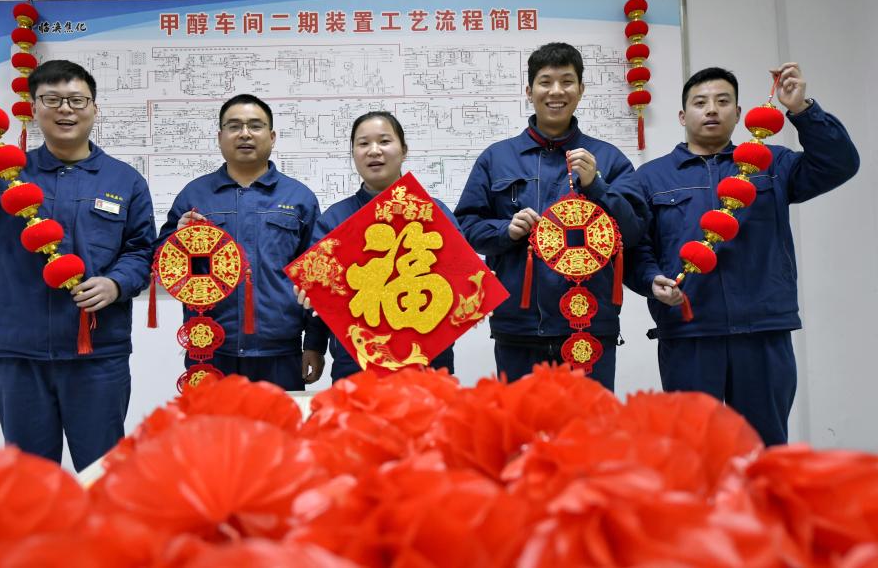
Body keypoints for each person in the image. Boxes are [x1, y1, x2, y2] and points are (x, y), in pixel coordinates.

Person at [0, 60, 156, 471]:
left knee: (104, 476)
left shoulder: (124, 180)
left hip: (97, 354)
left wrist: (115, 284)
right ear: (34, 107)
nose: (65, 109)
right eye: (52, 99)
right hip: (22, 353)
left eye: (77, 100)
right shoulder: (4, 174)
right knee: (30, 479)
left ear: (94, 108)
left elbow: (141, 251)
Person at [625, 63, 859, 445]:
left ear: (737, 113)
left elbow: (840, 164)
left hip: (762, 330)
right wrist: (651, 282)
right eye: (700, 102)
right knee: (692, 451)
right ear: (683, 116)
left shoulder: (772, 164)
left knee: (763, 449)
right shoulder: (651, 178)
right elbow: (636, 249)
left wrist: (802, 110)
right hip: (689, 332)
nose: (711, 109)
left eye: (722, 101)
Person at [454, 42, 646, 389]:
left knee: (590, 424)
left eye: (567, 81)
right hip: (519, 329)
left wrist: (597, 186)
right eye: (545, 82)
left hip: (589, 328)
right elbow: (465, 229)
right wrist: (506, 230)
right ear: (529, 91)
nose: (556, 91)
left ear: (581, 89)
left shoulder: (608, 159)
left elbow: (633, 234)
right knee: (520, 425)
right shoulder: (497, 158)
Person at [157, 94, 322, 390]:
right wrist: (175, 243)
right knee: (214, 422)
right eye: (234, 126)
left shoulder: (299, 198)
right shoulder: (194, 196)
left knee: (281, 422)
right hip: (210, 350)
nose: (245, 134)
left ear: (272, 137)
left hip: (280, 351)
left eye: (255, 126)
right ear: (220, 137)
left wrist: (313, 344)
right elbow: (160, 263)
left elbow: (316, 279)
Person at [299, 111, 456, 383]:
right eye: (363, 143)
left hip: (428, 365)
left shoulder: (434, 212)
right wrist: (313, 342)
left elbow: (460, 278)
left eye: (384, 141)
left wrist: (476, 285)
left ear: (403, 150)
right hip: (355, 366)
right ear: (353, 153)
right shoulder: (334, 220)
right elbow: (319, 294)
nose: (374, 151)